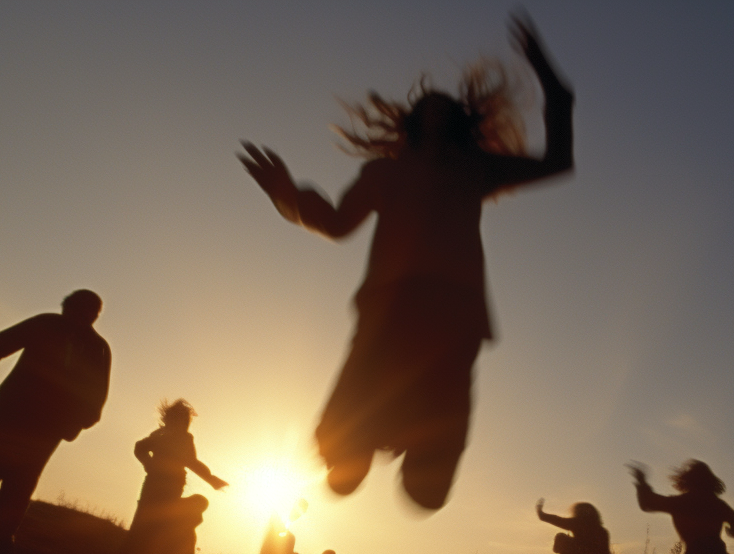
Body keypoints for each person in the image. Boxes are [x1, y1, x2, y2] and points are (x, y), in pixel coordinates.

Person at [239, 14, 573, 510]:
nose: (436, 106)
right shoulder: (384, 173)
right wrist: (288, 198)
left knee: (425, 493)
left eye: (446, 106)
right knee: (339, 462)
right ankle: (362, 442)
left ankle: (423, 457)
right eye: (427, 104)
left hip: (452, 317)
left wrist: (547, 75)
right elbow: (335, 222)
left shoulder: (475, 168)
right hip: (390, 310)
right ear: (414, 122)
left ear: (460, 123)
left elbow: (558, 160)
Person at [0, 290, 111, 549]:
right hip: (9, 419)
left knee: (17, 489)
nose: (86, 317)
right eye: (81, 311)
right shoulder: (47, 324)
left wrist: (76, 424)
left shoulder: (97, 347)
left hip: (42, 430)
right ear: (67, 308)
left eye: (92, 314)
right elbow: (6, 340)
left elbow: (97, 393)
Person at [121, 399, 228, 554]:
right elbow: (190, 461)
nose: (182, 424)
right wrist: (211, 479)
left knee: (150, 525)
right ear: (172, 420)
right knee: (149, 524)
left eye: (182, 420)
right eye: (179, 419)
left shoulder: (164, 435)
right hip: (161, 485)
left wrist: (148, 463)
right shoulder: (174, 436)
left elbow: (141, 448)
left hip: (162, 486)